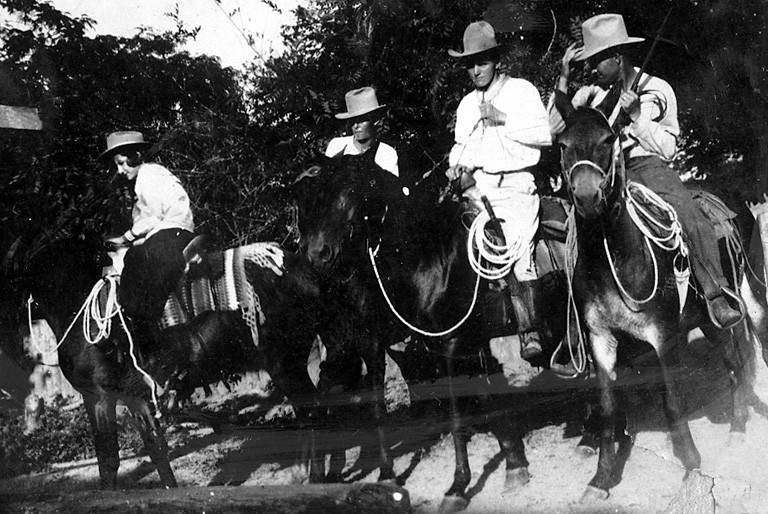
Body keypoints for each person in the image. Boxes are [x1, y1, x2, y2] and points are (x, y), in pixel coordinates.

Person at [548, 13, 741, 328]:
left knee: (686, 210)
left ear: (616, 57)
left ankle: (716, 294)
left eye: (597, 60)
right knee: (570, 235)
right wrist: (563, 80)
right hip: (601, 175)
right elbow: (552, 131)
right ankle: (577, 325)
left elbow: (667, 148)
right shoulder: (586, 95)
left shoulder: (657, 88)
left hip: (644, 166)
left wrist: (637, 117)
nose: (592, 68)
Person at [446, 20, 552, 361]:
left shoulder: (521, 91)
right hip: (478, 190)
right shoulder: (465, 106)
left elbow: (544, 134)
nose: (476, 70)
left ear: (496, 60)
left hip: (515, 187)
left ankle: (528, 329)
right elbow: (461, 146)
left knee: (515, 251)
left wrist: (503, 117)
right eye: (470, 64)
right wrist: (455, 165)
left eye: (483, 62)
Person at [100, 131, 195, 341]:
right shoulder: (150, 176)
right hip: (174, 231)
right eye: (117, 165)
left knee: (134, 261)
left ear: (136, 156)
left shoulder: (148, 176)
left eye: (123, 163)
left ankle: (146, 329)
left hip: (172, 232)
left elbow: (152, 219)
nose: (120, 170)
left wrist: (125, 238)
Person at [326, 86, 400, 177]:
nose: (356, 126)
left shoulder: (386, 154)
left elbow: (390, 188)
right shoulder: (337, 146)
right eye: (352, 121)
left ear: (376, 121)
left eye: (362, 120)